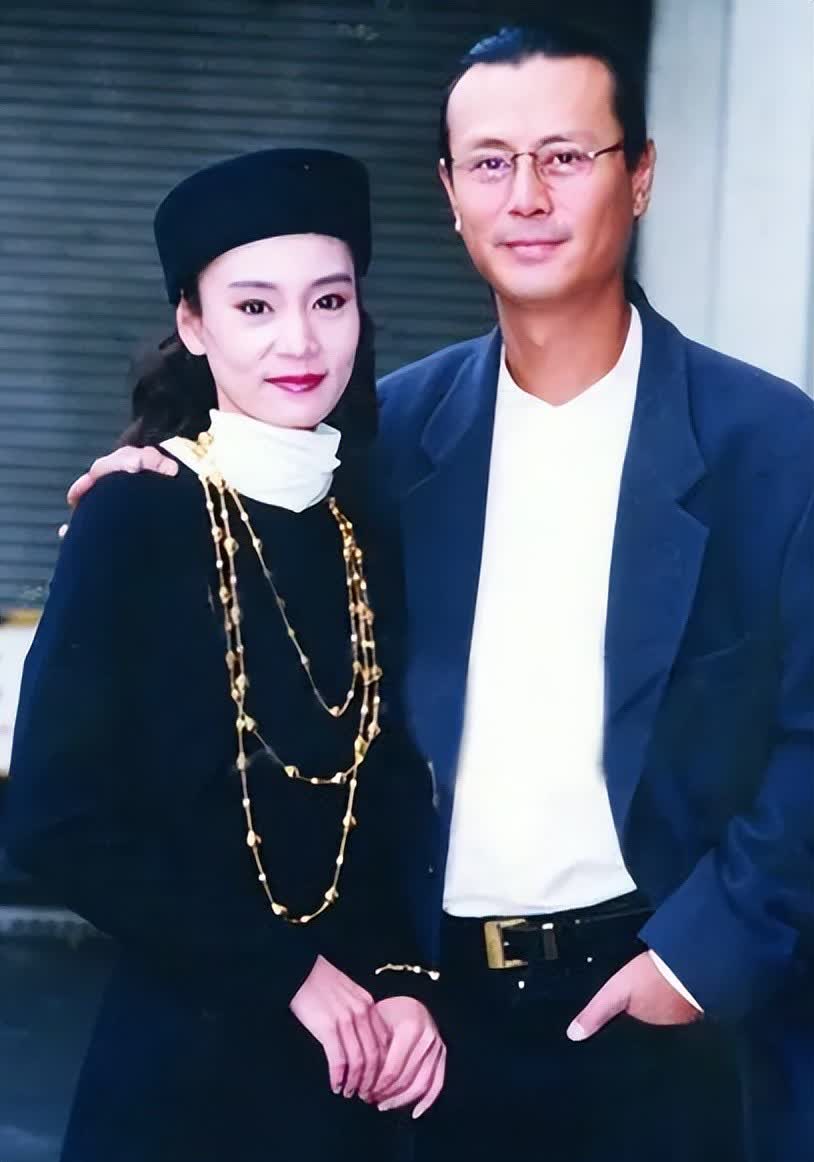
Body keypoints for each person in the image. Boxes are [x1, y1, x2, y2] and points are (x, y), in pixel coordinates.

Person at [61, 20, 814, 1162]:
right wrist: (154, 477)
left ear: (641, 175)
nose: (527, 196)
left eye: (566, 155)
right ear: (451, 195)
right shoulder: (385, 438)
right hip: (427, 1026)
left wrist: (699, 960)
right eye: (490, 162)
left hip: (662, 1011)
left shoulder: (772, 445)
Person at [4, 147, 446, 1162]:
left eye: (329, 300)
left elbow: (383, 794)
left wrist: (403, 985)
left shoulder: (364, 521)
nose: (300, 340)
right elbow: (55, 821)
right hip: (183, 1078)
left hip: (352, 1080)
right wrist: (286, 971)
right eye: (254, 307)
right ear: (194, 325)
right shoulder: (135, 513)